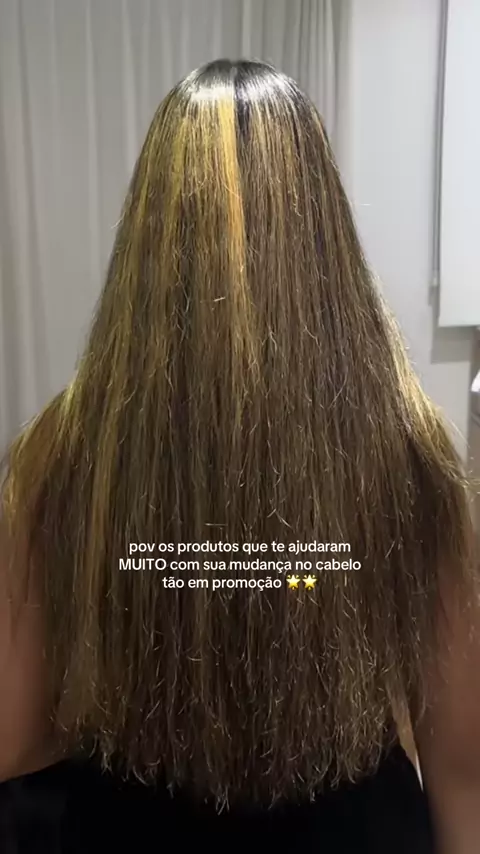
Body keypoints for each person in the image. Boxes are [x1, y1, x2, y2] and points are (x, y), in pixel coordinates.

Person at [0, 59, 476, 854]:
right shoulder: (409, 445)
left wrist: (118, 703)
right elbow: (461, 766)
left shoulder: (66, 448)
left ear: (152, 235)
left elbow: (11, 734)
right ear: (322, 233)